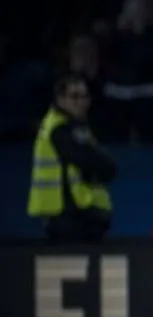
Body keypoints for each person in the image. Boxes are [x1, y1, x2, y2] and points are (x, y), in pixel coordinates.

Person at [27, 75, 116, 242]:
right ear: (60, 99)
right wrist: (104, 167)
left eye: (85, 96)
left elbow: (103, 164)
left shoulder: (78, 127)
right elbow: (87, 159)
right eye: (75, 96)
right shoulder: (58, 129)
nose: (81, 102)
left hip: (82, 214)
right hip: (66, 217)